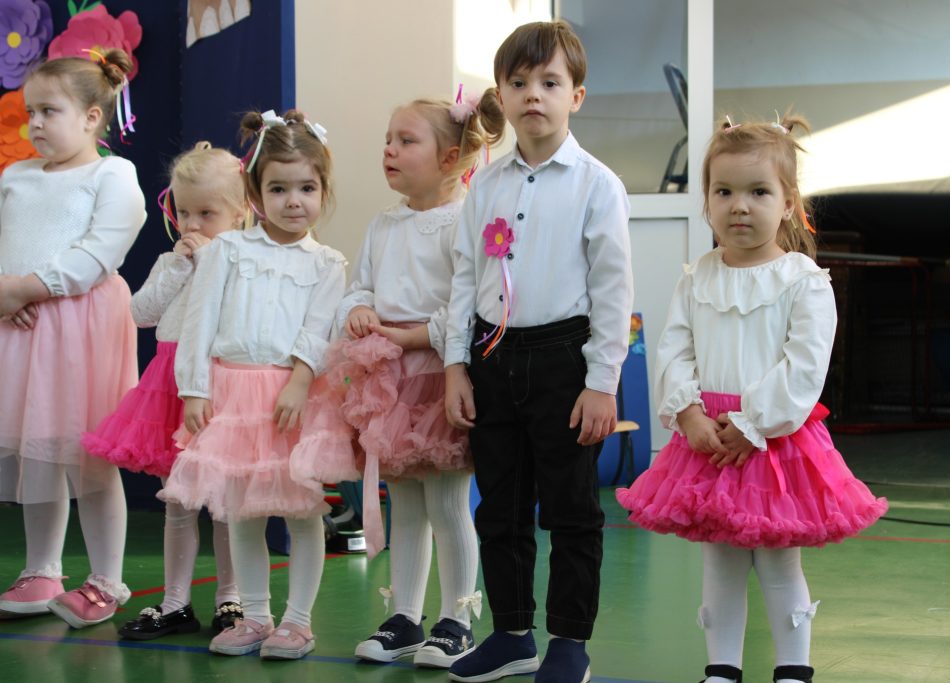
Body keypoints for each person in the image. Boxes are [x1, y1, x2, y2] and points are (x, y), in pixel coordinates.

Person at [616, 115, 889, 683]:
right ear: (707, 202)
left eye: (758, 192)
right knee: (719, 561)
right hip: (708, 439)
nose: (739, 206)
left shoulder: (803, 280)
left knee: (778, 562)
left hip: (775, 443)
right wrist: (688, 411)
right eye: (724, 192)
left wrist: (754, 422)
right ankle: (722, 668)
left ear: (788, 204)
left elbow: (805, 366)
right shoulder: (697, 277)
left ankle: (793, 669)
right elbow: (675, 348)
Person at [443, 20, 633, 683]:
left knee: (571, 509)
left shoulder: (597, 185)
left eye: (550, 82)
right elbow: (463, 279)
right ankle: (512, 633)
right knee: (499, 506)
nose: (533, 95)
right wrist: (455, 366)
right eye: (519, 82)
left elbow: (613, 290)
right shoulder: (485, 186)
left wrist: (602, 381)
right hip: (492, 358)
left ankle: (570, 641)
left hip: (564, 361)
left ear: (575, 96)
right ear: (500, 95)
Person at [298, 93, 503, 669]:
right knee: (406, 504)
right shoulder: (383, 225)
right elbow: (360, 287)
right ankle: (405, 616)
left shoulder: (464, 221)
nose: (389, 150)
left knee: (447, 502)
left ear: (451, 158)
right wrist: (360, 311)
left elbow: (468, 303)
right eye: (388, 139)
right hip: (388, 384)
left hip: (440, 376)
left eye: (406, 141)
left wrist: (412, 336)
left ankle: (458, 619)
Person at [158, 109, 346, 660]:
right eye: (278, 188)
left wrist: (300, 380)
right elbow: (200, 323)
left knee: (301, 512)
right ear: (255, 195)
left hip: (292, 400)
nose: (293, 201)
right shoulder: (227, 251)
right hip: (233, 397)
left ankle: (298, 622)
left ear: (323, 190)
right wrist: (195, 389)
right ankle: (256, 617)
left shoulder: (327, 263)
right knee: (242, 513)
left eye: (306, 188)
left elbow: (318, 329)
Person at [0, 49, 146, 628]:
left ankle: (107, 579)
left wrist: (25, 289)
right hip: (20, 326)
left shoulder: (113, 174)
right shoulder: (15, 176)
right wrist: (6, 293)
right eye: (30, 112)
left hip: (81, 329)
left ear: (91, 117)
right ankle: (42, 569)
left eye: (49, 111)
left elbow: (100, 251)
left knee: (89, 458)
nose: (35, 124)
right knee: (36, 450)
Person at [82, 142, 248, 640]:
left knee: (224, 504)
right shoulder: (172, 260)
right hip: (169, 389)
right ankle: (176, 602)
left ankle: (231, 598)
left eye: (207, 214)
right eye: (184, 213)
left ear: (241, 213)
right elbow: (141, 313)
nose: (192, 224)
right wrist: (177, 265)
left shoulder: (243, 261)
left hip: (220, 387)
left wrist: (212, 260)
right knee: (178, 504)